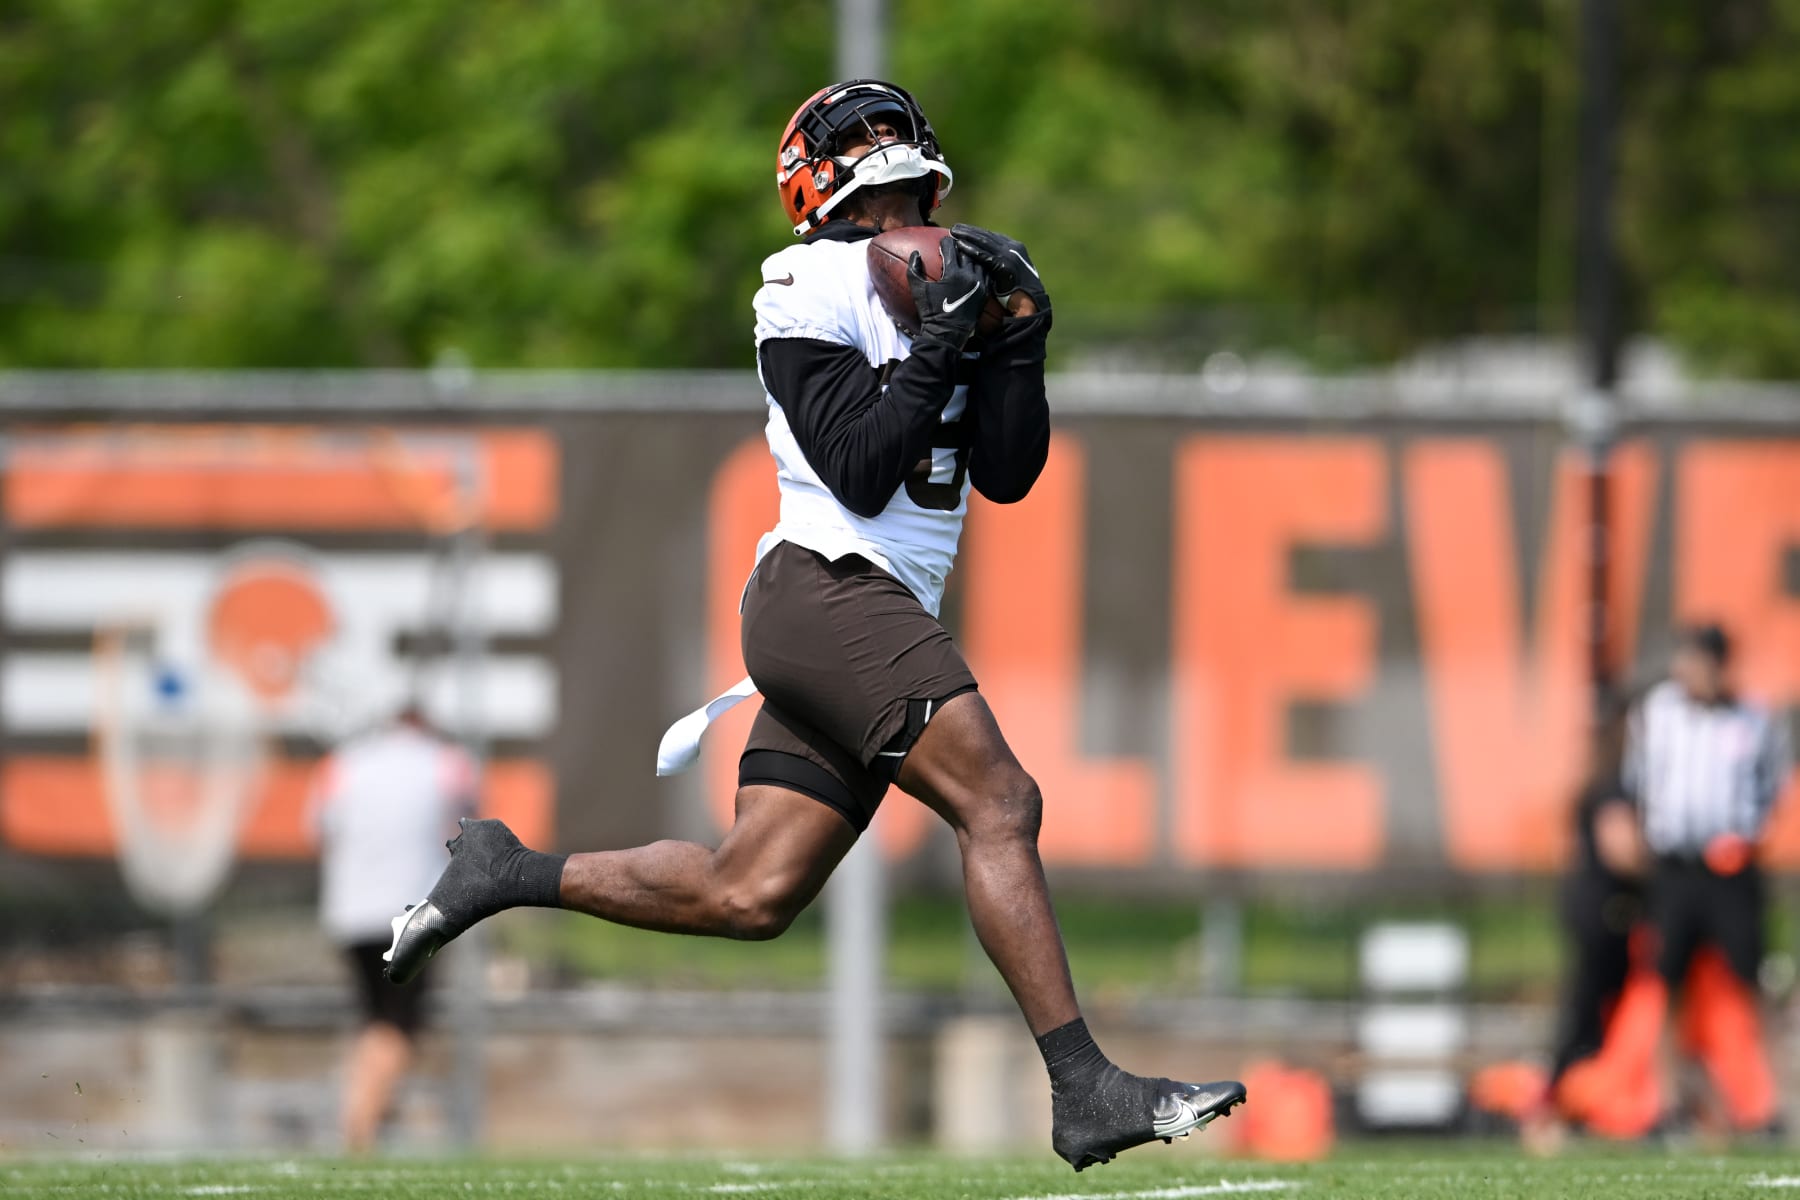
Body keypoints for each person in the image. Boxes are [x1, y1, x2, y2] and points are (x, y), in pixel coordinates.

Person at [384, 78, 1244, 1170]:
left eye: (897, 134)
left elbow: (1012, 471)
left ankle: (505, 871)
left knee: (749, 890)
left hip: (851, 609)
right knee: (1002, 799)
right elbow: (858, 464)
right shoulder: (803, 282)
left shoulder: (954, 274)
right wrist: (938, 342)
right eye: (864, 139)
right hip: (827, 588)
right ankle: (1085, 1089)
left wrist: (1017, 342)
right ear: (817, 182)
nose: (887, 153)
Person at [1585, 624, 1791, 1135]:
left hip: (1729, 867)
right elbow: (1637, 780)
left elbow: (1770, 787)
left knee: (1752, 980)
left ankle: (1772, 1104)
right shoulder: (1659, 714)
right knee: (1664, 981)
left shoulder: (1753, 719)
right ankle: (1667, 1101)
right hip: (1674, 866)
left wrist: (1749, 834)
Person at [313, 705, 475, 1152]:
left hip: (350, 911)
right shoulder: (446, 762)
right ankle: (358, 1126)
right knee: (399, 1022)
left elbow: (321, 829)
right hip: (413, 911)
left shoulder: (346, 762)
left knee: (373, 1017)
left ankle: (364, 1116)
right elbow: (469, 827)